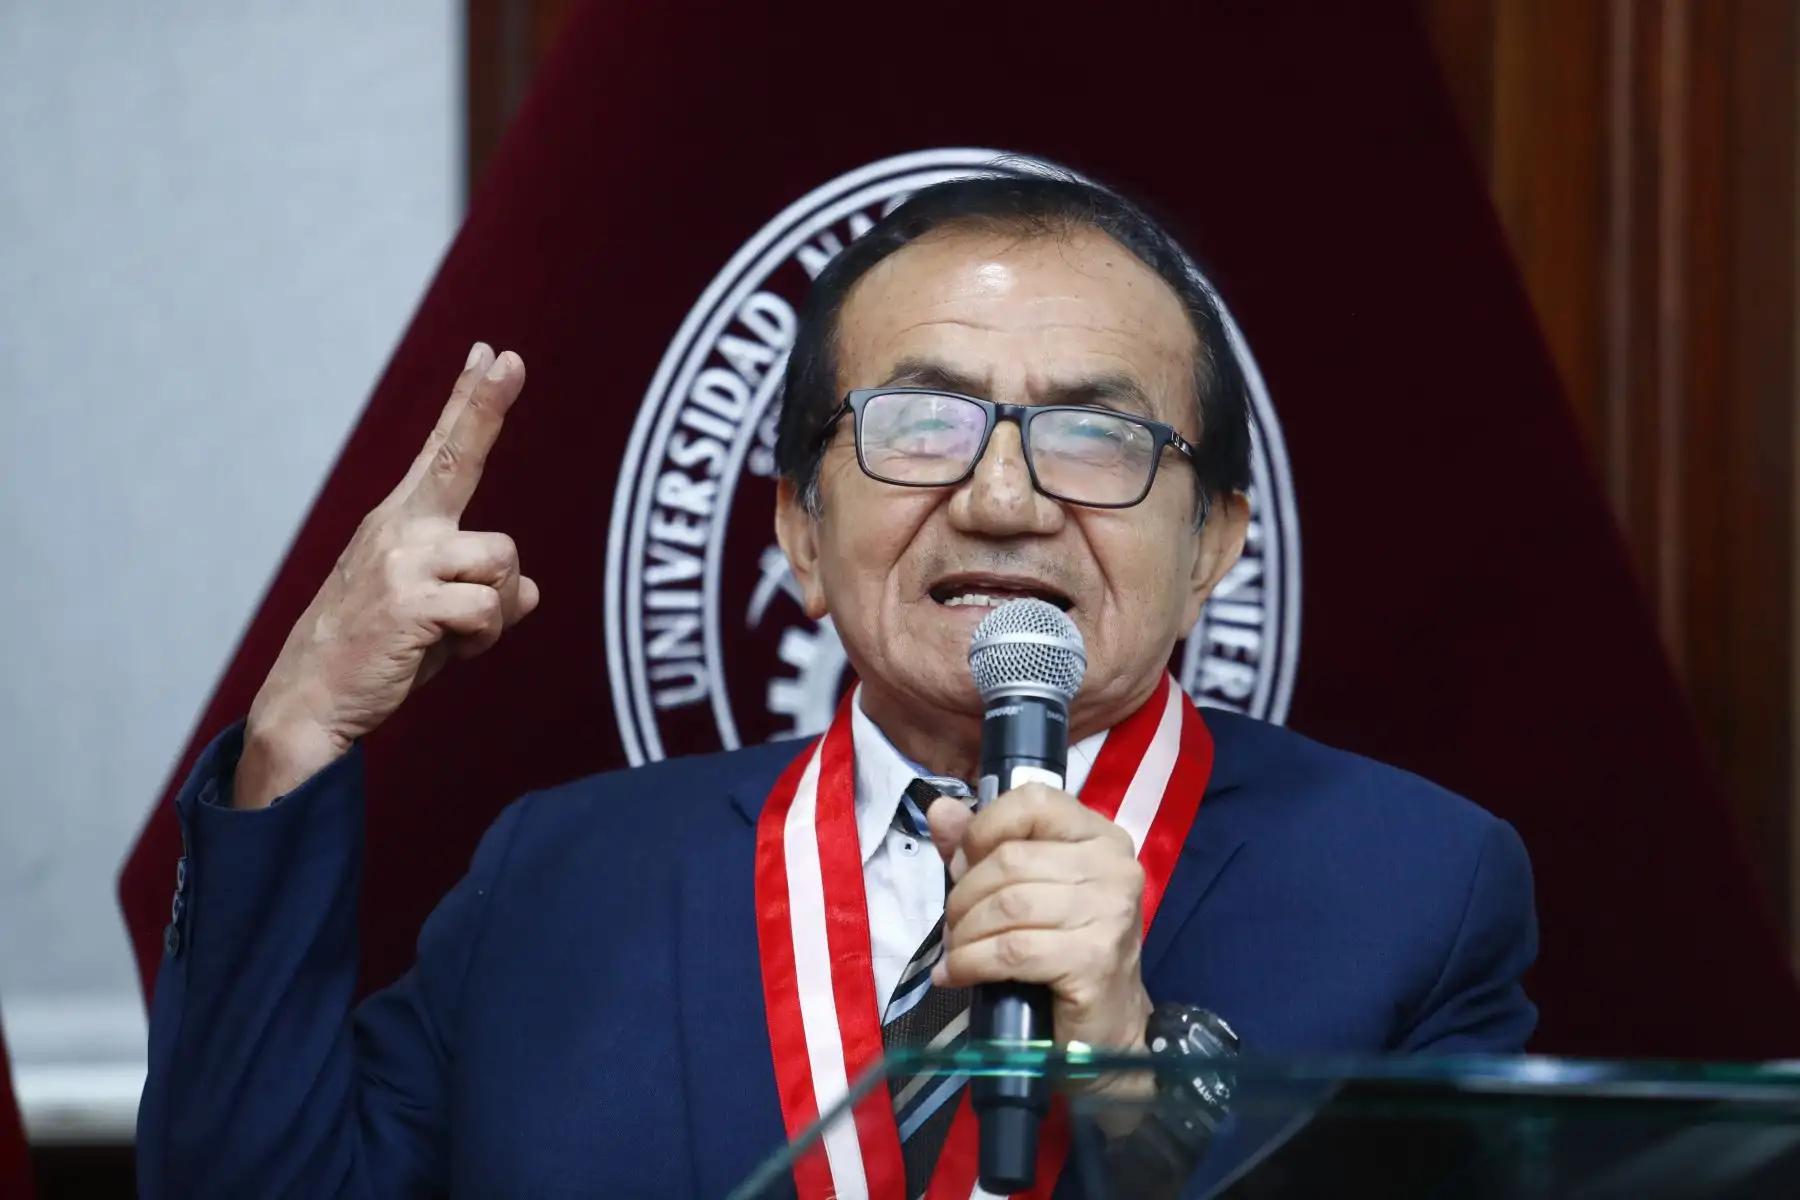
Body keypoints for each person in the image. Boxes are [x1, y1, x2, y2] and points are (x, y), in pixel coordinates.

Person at [136, 170, 1537, 1199]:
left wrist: (1136, 1083)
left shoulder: (1417, 891)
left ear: (1219, 535)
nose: (1002, 498)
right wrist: (296, 733)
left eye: (1093, 437)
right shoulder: (557, 879)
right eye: (920, 425)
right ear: (800, 529)